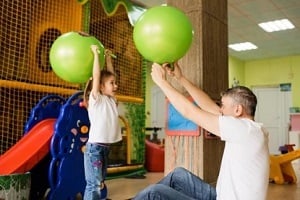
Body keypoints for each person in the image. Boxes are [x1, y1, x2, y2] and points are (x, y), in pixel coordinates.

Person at [133, 62, 269, 200]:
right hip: (220, 196)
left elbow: (189, 111)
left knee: (154, 193)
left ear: (238, 110)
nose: (220, 110)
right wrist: (180, 78)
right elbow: (207, 105)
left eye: (223, 106)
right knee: (178, 175)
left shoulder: (243, 130)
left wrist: (161, 82)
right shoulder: (250, 129)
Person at [83, 45, 122, 200]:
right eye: (112, 83)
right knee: (93, 184)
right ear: (100, 87)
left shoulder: (111, 100)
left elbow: (110, 75)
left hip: (104, 148)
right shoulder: (96, 99)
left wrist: (107, 58)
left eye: (115, 83)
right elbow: (97, 76)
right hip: (95, 148)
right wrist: (95, 55)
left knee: (100, 184)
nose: (115, 85)